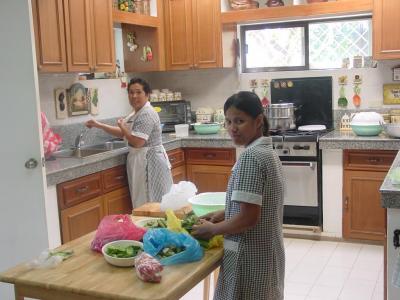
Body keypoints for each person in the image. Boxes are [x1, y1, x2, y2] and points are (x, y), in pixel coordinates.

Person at [192, 91, 285, 300]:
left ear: (258, 120)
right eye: (228, 121)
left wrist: (213, 229)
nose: (232, 128)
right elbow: (259, 203)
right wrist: (225, 212)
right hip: (267, 252)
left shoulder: (250, 158)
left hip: (249, 256)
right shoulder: (267, 153)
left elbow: (249, 218)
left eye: (240, 121)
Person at [86, 78, 173, 208]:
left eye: (138, 92)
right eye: (131, 92)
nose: (134, 96)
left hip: (149, 161)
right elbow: (123, 133)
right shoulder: (136, 112)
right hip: (141, 159)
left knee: (152, 201)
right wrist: (99, 125)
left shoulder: (147, 114)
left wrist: (122, 127)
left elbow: (137, 142)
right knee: (145, 199)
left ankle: (154, 227)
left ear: (147, 94)